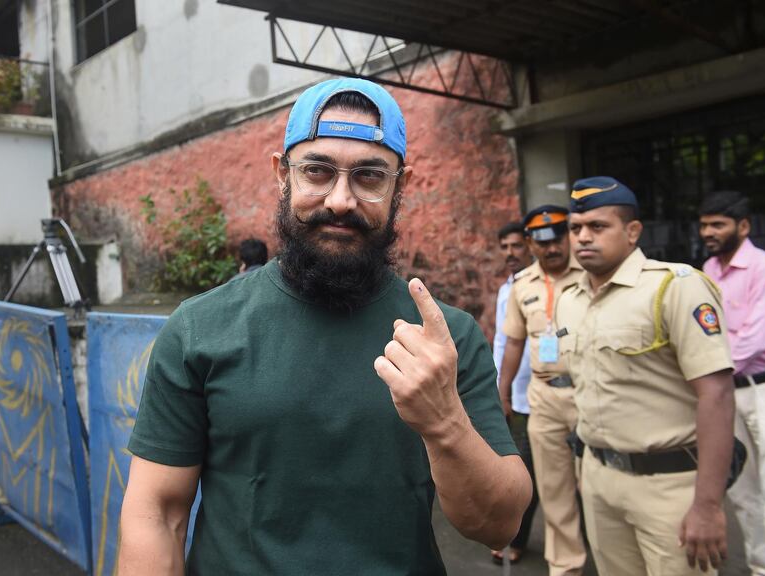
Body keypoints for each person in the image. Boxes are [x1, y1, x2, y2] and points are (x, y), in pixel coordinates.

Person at [117, 77, 532, 575]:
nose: (340, 199)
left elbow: (498, 524)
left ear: (401, 186)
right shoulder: (199, 329)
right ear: (282, 174)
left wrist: (444, 422)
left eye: (369, 177)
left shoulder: (446, 338)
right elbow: (157, 514)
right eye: (317, 170)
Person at [556, 176, 736, 575]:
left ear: (632, 231)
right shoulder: (569, 301)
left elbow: (717, 395)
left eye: (598, 227)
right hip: (600, 480)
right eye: (575, 228)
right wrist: (589, 474)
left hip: (669, 484)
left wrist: (707, 505)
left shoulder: (675, 288)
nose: (583, 237)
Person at [699, 191, 765, 576]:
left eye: (717, 224)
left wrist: (703, 376)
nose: (708, 231)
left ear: (743, 226)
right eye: (705, 224)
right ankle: (762, 570)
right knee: (744, 495)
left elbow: (755, 340)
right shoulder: (708, 268)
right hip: (730, 393)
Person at [500, 205, 587, 576]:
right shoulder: (522, 287)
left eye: (557, 239)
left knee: (599, 489)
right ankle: (565, 566)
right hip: (544, 398)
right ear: (531, 244)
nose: (551, 248)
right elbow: (513, 344)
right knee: (554, 490)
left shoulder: (591, 276)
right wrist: (502, 393)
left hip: (589, 397)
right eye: (542, 242)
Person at [490, 221, 539, 565]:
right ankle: (513, 537)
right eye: (504, 247)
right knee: (519, 468)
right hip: (514, 396)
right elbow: (502, 342)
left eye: (516, 246)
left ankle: (517, 538)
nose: (510, 253)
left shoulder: (543, 285)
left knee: (536, 474)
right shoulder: (506, 288)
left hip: (542, 396)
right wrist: (500, 390)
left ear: (530, 246)